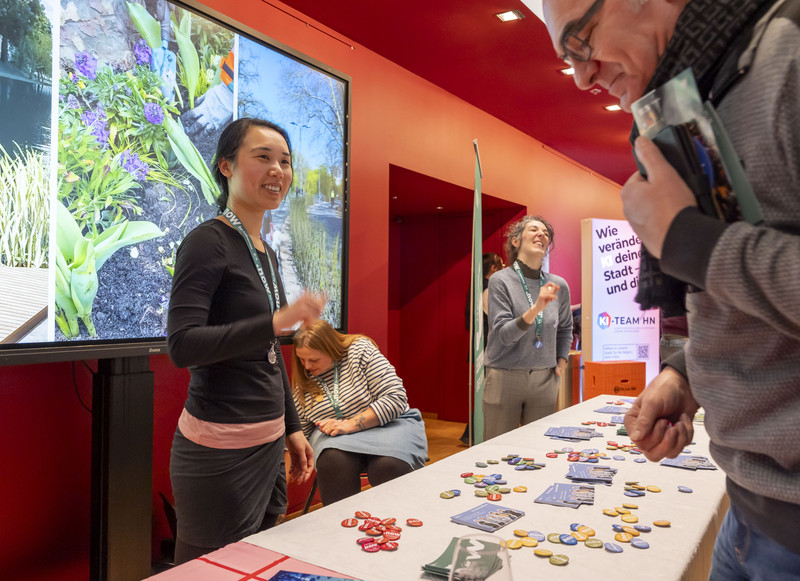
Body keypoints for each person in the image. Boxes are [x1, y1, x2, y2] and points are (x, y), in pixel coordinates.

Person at [542, 0, 800, 577]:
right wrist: (688, 375)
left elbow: (720, 256)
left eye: (581, 39)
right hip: (748, 513)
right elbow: (747, 309)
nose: (581, 74)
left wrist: (687, 238)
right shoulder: (688, 97)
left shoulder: (788, 52)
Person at [167, 117, 325, 564]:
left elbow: (268, 353)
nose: (278, 170)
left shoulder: (264, 250)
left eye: (285, 161)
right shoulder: (206, 242)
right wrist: (275, 321)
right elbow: (182, 344)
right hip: (218, 454)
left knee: (256, 563)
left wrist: (292, 429)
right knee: (208, 572)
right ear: (226, 166)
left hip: (269, 443)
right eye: (263, 157)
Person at [291, 319, 428, 506]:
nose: (307, 366)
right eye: (301, 359)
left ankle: (395, 527)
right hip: (337, 441)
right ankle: (342, 528)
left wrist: (350, 424)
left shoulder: (359, 350)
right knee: (332, 461)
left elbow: (395, 397)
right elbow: (298, 429)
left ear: (331, 349)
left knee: (387, 466)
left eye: (314, 360)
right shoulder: (303, 381)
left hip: (389, 426)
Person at [483, 216, 572, 440]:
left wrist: (561, 359)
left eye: (545, 232)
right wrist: (537, 308)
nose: (541, 234)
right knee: (498, 448)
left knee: (537, 450)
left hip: (545, 378)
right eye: (533, 230)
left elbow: (565, 327)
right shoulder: (500, 281)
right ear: (515, 241)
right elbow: (504, 334)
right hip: (505, 375)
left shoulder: (558, 284)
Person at [461, 252, 503, 445]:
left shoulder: (476, 287)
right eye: (501, 265)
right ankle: (472, 433)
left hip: (482, 347)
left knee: (485, 390)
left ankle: (471, 433)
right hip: (490, 348)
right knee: (487, 391)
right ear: (493, 268)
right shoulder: (490, 289)